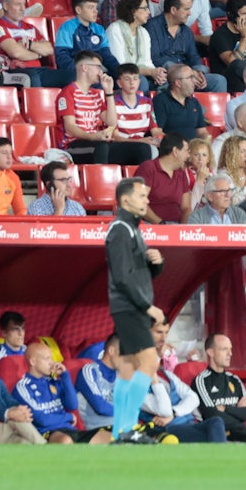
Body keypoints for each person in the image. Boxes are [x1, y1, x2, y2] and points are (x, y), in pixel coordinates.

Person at [105, 177, 167, 445]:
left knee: (129, 368)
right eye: (142, 196)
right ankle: (128, 428)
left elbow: (139, 274)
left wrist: (156, 263)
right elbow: (121, 277)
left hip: (129, 306)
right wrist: (147, 306)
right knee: (150, 363)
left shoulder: (132, 229)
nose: (147, 200)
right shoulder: (120, 229)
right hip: (129, 307)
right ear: (125, 199)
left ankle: (120, 432)